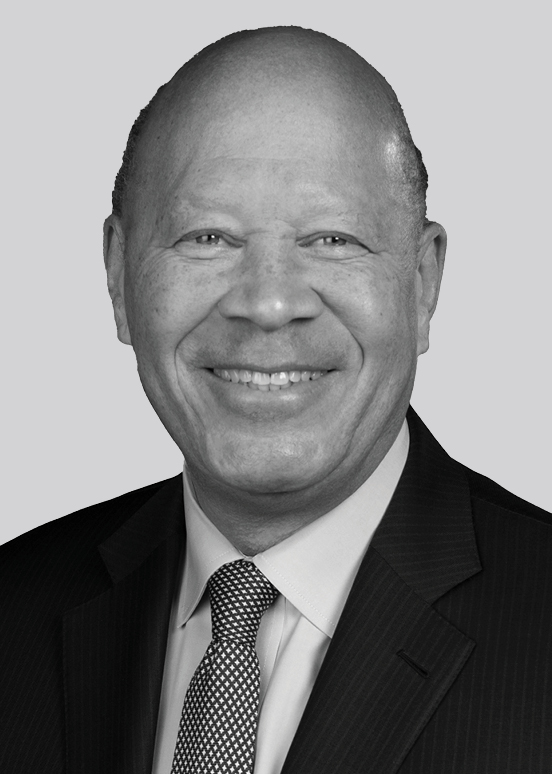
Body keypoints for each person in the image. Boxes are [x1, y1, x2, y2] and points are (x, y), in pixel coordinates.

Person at [1, 25, 550, 774]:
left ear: (423, 284)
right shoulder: (15, 608)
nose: (268, 304)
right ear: (118, 277)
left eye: (332, 239)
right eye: (207, 237)